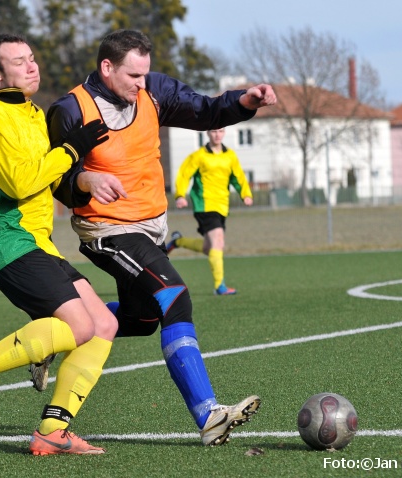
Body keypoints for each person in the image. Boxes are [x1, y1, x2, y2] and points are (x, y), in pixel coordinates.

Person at [46, 29, 276, 446]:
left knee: (142, 320)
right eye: (133, 75)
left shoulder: (154, 90)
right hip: (107, 229)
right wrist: (85, 180)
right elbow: (56, 179)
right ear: (107, 67)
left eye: (145, 74)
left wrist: (244, 101)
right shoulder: (71, 109)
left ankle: (54, 333)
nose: (141, 83)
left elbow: (205, 111)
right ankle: (209, 415)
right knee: (174, 296)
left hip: (149, 228)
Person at [0, 33, 119, 456]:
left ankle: (53, 430)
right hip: (5, 238)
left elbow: (52, 175)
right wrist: (71, 149)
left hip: (37, 241)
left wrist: (87, 177)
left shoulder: (34, 114)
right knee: (79, 326)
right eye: (18, 61)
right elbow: (19, 183)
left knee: (104, 324)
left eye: (32, 58)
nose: (31, 66)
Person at [166, 127, 253, 295]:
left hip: (222, 206)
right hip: (204, 205)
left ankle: (177, 242)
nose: (217, 134)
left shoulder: (230, 155)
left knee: (209, 247)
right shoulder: (199, 156)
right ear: (207, 133)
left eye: (220, 131)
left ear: (224, 132)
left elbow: (238, 177)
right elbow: (184, 175)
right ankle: (220, 287)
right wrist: (180, 195)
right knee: (218, 242)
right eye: (214, 131)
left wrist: (245, 194)